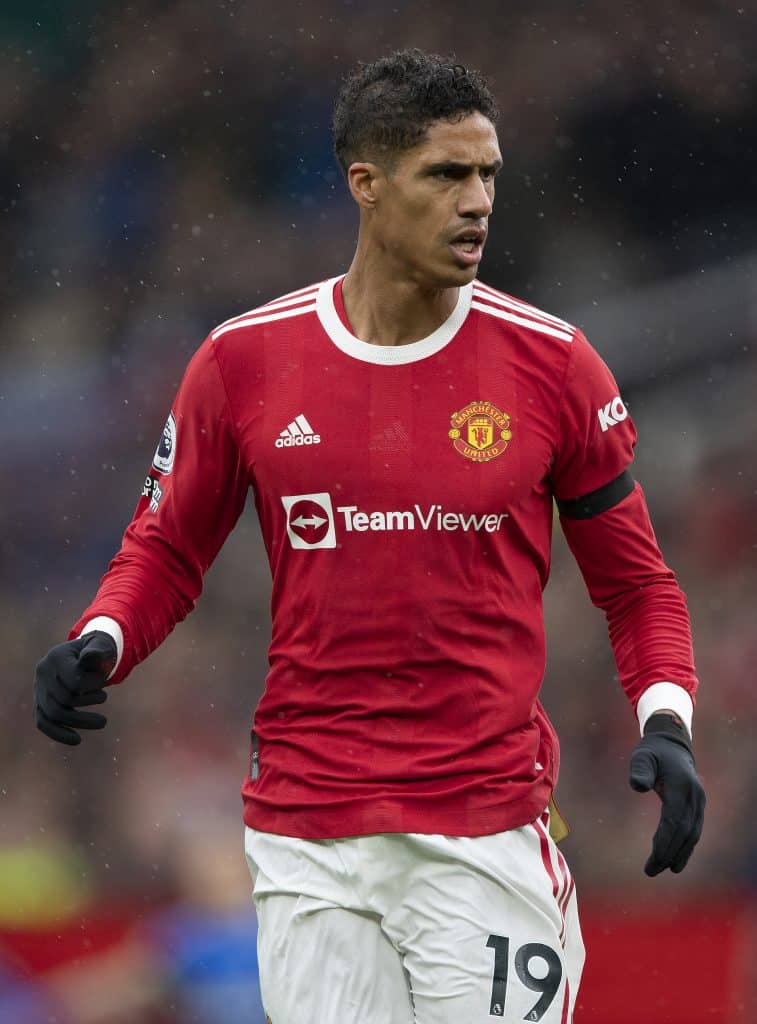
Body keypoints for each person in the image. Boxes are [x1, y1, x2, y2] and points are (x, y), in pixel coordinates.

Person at [34, 49, 706, 1024]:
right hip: (308, 834)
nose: (477, 201)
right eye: (446, 174)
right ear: (367, 183)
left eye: (488, 174)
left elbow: (637, 586)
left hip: (484, 833)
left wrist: (666, 722)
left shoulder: (554, 366)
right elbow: (167, 548)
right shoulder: (244, 361)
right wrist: (103, 636)